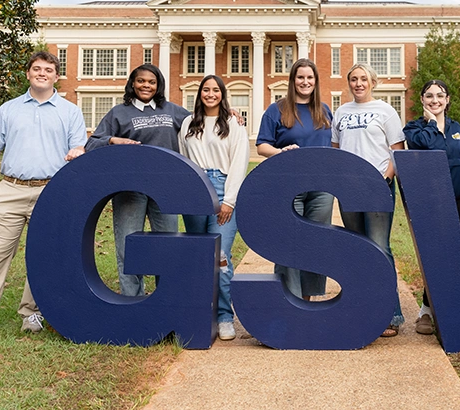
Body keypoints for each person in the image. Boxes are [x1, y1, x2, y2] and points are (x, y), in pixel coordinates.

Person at [0, 51, 86, 340]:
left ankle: (32, 312)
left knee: (42, 257)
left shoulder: (70, 111)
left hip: (51, 191)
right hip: (10, 190)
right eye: (37, 69)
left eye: (49, 69)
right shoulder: (8, 109)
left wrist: (79, 154)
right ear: (28, 74)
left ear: (56, 76)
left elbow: (78, 150)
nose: (42, 73)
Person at [86, 63, 190, 297]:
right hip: (129, 190)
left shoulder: (171, 110)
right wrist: (113, 140)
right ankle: (132, 301)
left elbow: (202, 122)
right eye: (141, 81)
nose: (146, 85)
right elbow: (92, 143)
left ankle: (167, 299)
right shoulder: (118, 113)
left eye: (151, 82)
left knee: (167, 246)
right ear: (132, 83)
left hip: (165, 190)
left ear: (158, 85)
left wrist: (228, 112)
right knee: (128, 246)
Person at [331, 63, 406, 337]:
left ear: (372, 82)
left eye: (363, 79)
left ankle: (391, 313)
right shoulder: (341, 112)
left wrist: (383, 179)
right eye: (353, 79)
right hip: (349, 189)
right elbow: (336, 149)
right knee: (356, 249)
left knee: (378, 246)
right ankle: (360, 308)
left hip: (377, 186)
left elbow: (396, 151)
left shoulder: (385, 110)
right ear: (349, 83)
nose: (358, 83)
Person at [256, 58, 334, 301]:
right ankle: (290, 299)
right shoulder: (276, 109)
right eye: (300, 77)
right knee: (290, 240)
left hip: (321, 187)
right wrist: (281, 152)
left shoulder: (324, 110)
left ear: (316, 81)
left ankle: (307, 300)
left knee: (315, 241)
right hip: (289, 185)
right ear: (292, 81)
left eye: (310, 77)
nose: (305, 82)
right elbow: (261, 146)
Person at [178, 75, 248, 342]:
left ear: (222, 94)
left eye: (215, 90)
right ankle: (200, 313)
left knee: (221, 256)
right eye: (206, 90)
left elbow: (240, 162)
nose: (210, 94)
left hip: (221, 186)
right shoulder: (187, 123)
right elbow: (183, 158)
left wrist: (229, 200)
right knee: (198, 254)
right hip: (195, 189)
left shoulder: (232, 124)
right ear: (199, 94)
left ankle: (224, 317)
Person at [403, 79, 460, 336]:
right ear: (422, 100)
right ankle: (426, 311)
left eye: (440, 96)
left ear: (448, 99)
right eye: (429, 96)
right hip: (432, 201)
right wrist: (432, 123)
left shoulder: (456, 127)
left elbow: (457, 154)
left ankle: (451, 307)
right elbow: (430, 146)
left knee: (455, 254)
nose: (435, 100)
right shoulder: (413, 128)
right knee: (435, 255)